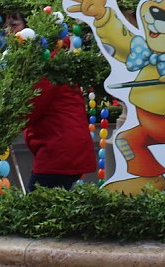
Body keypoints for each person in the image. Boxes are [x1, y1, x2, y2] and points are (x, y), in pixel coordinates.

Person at [5, 12, 96, 190]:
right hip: (62, 150)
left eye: (14, 27)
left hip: (59, 153)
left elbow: (29, 106)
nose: (10, 33)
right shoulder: (50, 59)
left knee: (36, 211)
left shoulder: (44, 63)